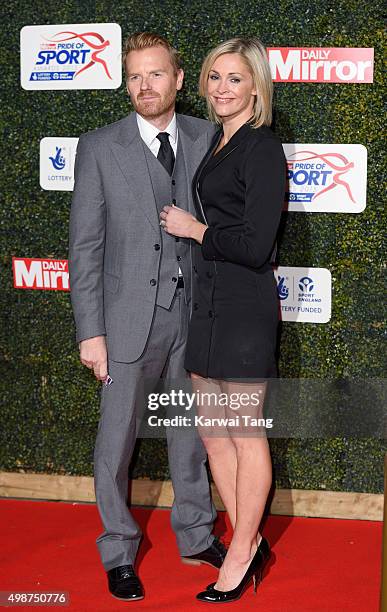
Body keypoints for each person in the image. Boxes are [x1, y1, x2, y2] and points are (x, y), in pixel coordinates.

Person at [69, 32, 227, 603]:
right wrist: (92, 332)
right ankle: (118, 548)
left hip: (194, 318)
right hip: (126, 321)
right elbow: (85, 248)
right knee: (116, 441)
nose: (144, 86)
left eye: (155, 74)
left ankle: (195, 533)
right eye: (134, 76)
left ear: (179, 80)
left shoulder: (208, 136)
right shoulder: (99, 147)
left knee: (189, 433)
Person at [160, 37, 286, 603]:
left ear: (256, 87)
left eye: (235, 79)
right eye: (214, 77)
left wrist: (197, 231)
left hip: (243, 307)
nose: (221, 88)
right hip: (207, 303)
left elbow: (258, 244)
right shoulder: (217, 143)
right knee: (213, 435)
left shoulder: (260, 148)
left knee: (243, 431)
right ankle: (252, 541)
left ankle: (238, 556)